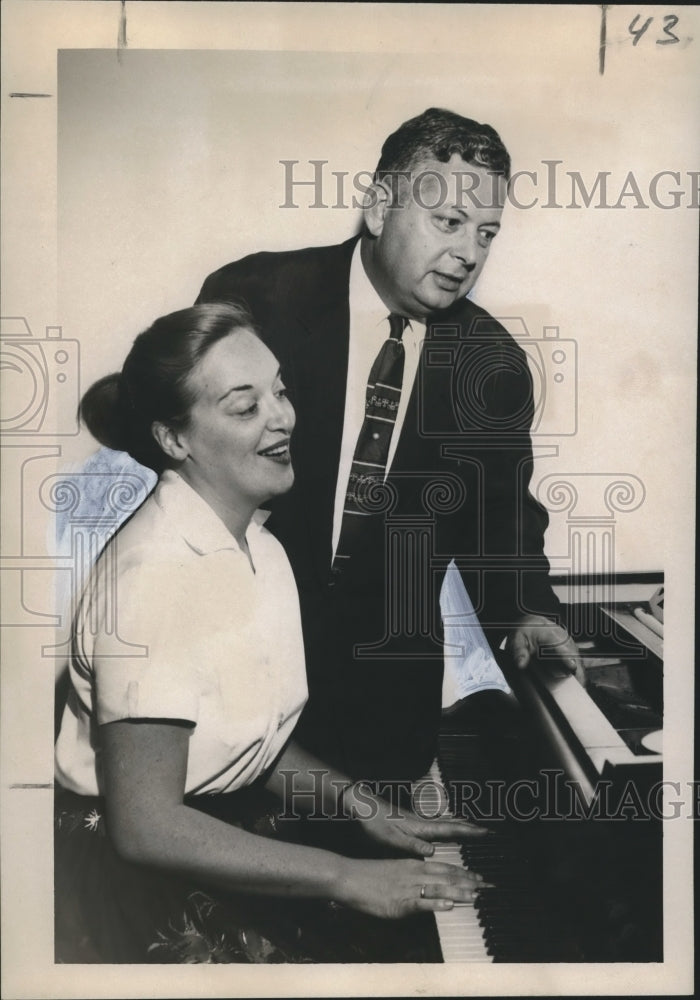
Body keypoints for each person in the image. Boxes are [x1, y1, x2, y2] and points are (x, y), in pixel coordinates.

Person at [53, 301, 487, 964]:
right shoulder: (153, 578)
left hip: (216, 828)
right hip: (134, 875)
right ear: (175, 439)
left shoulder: (261, 546)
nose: (282, 416)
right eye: (244, 405)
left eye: (279, 390)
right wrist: (348, 876)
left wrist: (362, 805)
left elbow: (241, 737)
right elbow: (146, 827)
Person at [195, 108, 582, 784]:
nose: (469, 253)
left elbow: (501, 520)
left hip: (379, 710)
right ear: (379, 208)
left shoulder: (491, 365)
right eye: (450, 223)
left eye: (487, 233)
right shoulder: (255, 298)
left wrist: (528, 610)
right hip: (231, 673)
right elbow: (178, 457)